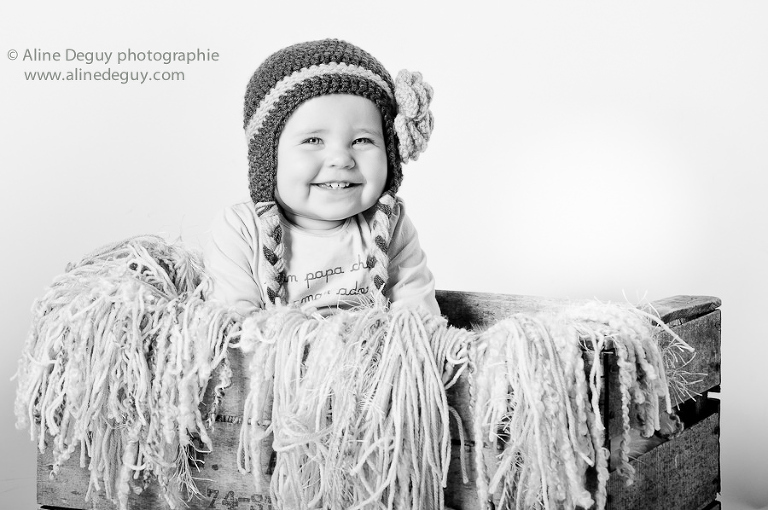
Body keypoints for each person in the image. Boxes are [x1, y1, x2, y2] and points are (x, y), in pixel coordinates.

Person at [204, 39, 440, 317]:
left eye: (362, 140)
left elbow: (418, 318)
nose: (341, 159)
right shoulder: (240, 230)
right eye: (313, 140)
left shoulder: (390, 223)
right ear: (267, 157)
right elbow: (233, 324)